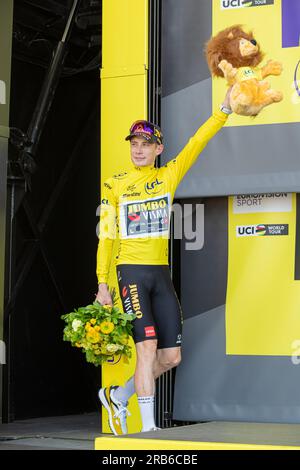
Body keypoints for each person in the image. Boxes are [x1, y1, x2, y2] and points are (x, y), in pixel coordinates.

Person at [96, 89, 232, 435]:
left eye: (145, 144)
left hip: (160, 273)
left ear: (158, 149)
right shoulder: (115, 185)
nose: (138, 149)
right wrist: (102, 283)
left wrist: (224, 110)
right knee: (147, 349)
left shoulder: (167, 176)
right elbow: (107, 236)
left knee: (171, 358)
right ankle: (149, 429)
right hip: (130, 272)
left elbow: (196, 143)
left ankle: (118, 394)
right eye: (133, 144)